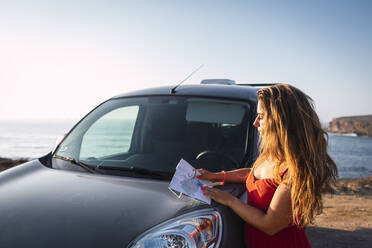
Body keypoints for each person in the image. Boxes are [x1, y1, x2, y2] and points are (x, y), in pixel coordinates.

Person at [198, 84, 337, 248]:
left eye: (261, 116)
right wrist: (217, 176)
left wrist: (229, 200)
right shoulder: (272, 152)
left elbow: (270, 225)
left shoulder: (295, 171)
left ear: (280, 121)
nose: (256, 123)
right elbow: (255, 175)